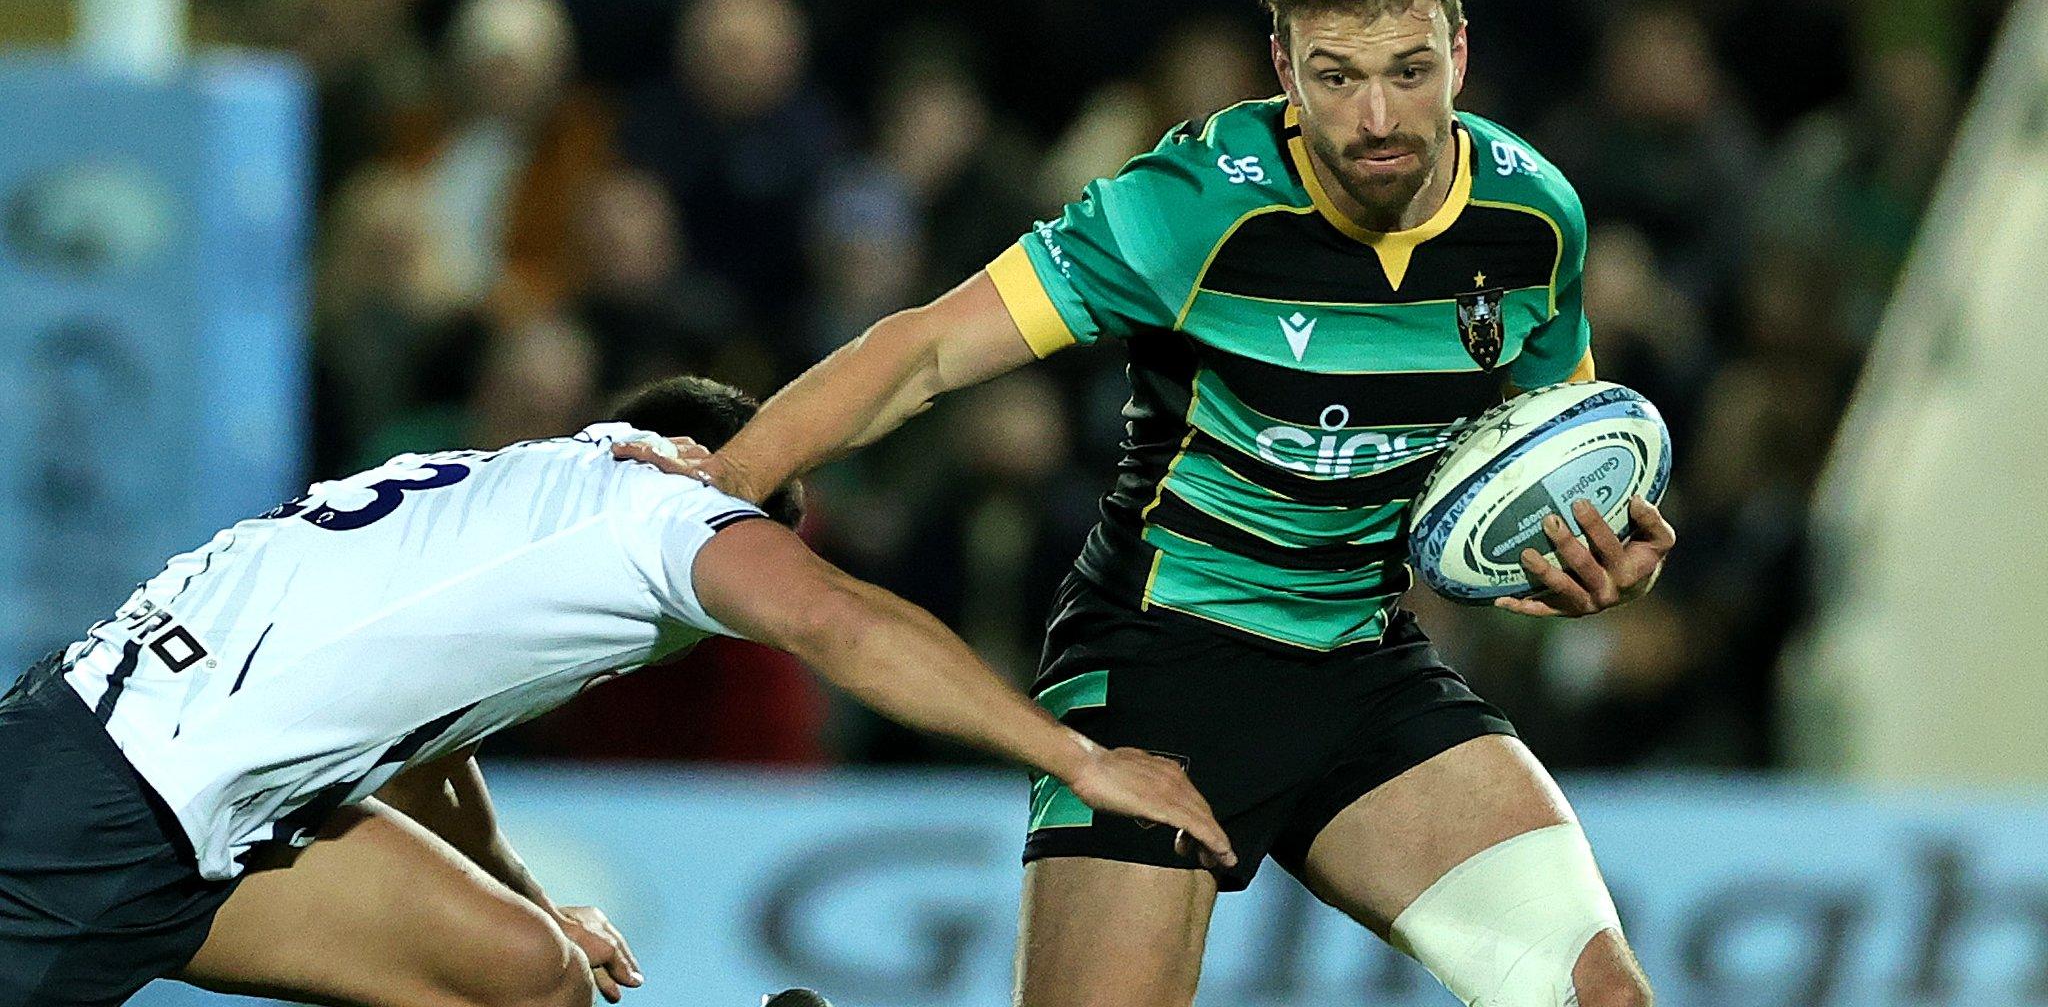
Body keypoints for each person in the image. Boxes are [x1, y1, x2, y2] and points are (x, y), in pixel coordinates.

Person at [651, 0, 1675, 1007]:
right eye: (1335, 78)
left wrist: (1583, 558)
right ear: (1283, 68)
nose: (1377, 118)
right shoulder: (1190, 205)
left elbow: (1538, 452)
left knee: (1603, 999)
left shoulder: (1534, 220)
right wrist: (727, 478)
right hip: (1158, 670)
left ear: (1460, 54)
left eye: (1408, 72)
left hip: (1365, 668)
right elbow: (930, 350)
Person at [0, 375, 1232, 1007]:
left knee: (524, 972)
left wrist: (530, 898)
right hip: (92, 812)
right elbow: (841, 624)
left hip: (169, 793)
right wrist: (1079, 758)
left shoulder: (508, 485)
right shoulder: (667, 513)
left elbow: (429, 732)